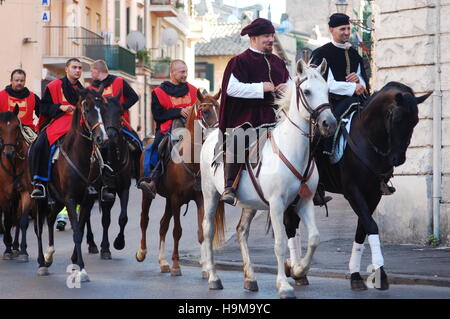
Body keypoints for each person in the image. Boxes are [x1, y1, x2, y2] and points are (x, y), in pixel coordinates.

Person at [218, 18, 290, 205]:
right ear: (253, 38)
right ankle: (229, 187)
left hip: (276, 116)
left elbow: (290, 83)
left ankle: (312, 185)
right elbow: (231, 89)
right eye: (266, 36)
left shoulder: (278, 62)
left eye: (272, 35)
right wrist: (260, 88)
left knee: (303, 135)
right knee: (238, 138)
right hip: (249, 116)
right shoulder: (239, 61)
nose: (270, 39)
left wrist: (286, 88)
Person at [138, 59, 197, 199]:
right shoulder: (158, 92)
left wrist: (193, 111)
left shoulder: (194, 91)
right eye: (182, 72)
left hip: (191, 130)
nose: (185, 75)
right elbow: (158, 115)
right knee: (157, 148)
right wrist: (179, 111)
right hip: (167, 130)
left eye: (186, 71)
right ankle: (153, 179)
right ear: (172, 72)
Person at [88, 60, 142, 197]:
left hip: (120, 123)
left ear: (97, 71)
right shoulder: (91, 89)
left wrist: (120, 108)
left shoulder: (119, 81)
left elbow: (134, 97)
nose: (90, 74)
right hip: (100, 126)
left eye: (91, 71)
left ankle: (139, 176)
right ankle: (96, 181)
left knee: (137, 145)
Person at [0, 69, 41, 133]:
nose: (19, 83)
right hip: (5, 132)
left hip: (27, 132)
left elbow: (43, 115)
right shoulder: (1, 96)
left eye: (22, 81)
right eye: (17, 80)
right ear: (11, 81)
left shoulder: (33, 97)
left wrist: (38, 128)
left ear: (25, 81)